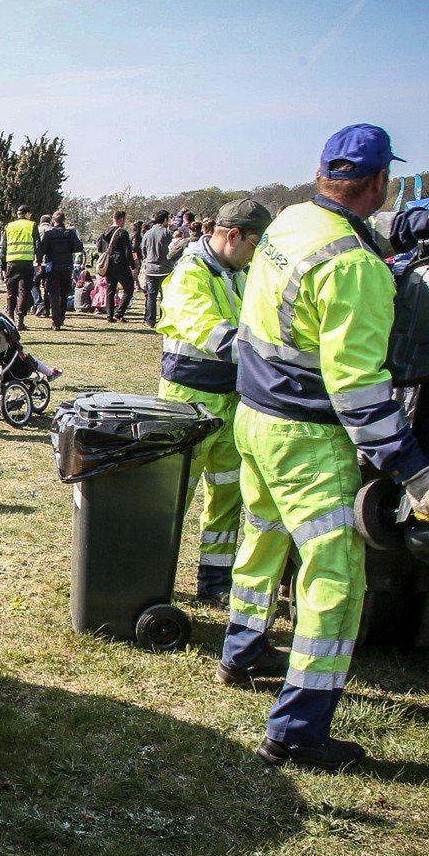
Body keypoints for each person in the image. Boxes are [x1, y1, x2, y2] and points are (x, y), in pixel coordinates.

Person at [222, 124, 429, 771]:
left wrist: (415, 228)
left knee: (261, 539)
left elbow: (349, 241)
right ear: (381, 182)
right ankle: (299, 731)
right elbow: (359, 391)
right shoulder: (355, 269)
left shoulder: (292, 221)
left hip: (253, 418)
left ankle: (243, 649)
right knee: (335, 582)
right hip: (305, 439)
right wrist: (414, 472)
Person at [157, 198, 274, 606]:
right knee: (174, 496)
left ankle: (214, 582)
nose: (255, 256)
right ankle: (152, 580)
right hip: (190, 403)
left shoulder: (236, 273)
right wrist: (272, 357)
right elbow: (211, 332)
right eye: (254, 245)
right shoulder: (190, 274)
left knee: (227, 495)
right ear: (232, 235)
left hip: (232, 401)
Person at [35, 210, 84, 330]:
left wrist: (40, 263)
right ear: (63, 220)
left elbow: (41, 250)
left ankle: (55, 321)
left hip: (53, 266)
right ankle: (61, 316)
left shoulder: (49, 234)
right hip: (67, 266)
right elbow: (79, 247)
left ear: (53, 221)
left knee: (54, 294)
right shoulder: (70, 233)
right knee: (64, 293)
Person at [1, 205, 38, 328]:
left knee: (11, 292)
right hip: (26, 262)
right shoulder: (32, 225)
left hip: (11, 262)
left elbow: (3, 248)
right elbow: (37, 245)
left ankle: (10, 318)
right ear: (27, 214)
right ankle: (20, 321)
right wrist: (38, 263)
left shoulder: (9, 226)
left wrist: (2, 266)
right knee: (24, 292)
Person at [101, 210, 138, 321]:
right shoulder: (122, 232)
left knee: (110, 289)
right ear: (121, 219)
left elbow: (100, 247)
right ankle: (119, 313)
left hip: (108, 263)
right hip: (120, 263)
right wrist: (132, 265)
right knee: (129, 288)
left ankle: (109, 315)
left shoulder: (105, 232)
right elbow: (127, 251)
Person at [139, 211, 174, 327]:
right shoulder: (168, 233)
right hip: (165, 268)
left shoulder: (147, 233)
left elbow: (143, 249)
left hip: (150, 268)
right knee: (166, 296)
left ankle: (150, 321)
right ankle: (164, 319)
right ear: (165, 220)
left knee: (151, 296)